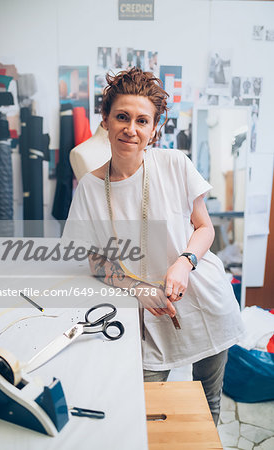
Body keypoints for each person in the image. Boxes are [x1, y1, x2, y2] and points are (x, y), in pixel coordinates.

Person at [64, 68, 244, 425]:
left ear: (153, 128)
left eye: (142, 120)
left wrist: (184, 262)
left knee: (207, 409)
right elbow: (93, 259)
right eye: (122, 117)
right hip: (147, 313)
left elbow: (204, 228)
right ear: (106, 120)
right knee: (145, 412)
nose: (131, 128)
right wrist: (136, 288)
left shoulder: (175, 164)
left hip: (205, 299)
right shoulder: (89, 186)